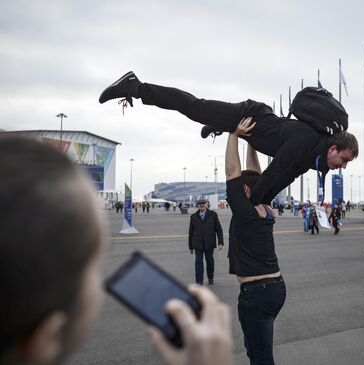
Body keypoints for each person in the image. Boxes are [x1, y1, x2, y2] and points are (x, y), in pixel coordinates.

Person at [0, 137, 233, 365]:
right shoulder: (194, 216)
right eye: (94, 266)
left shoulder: (211, 216)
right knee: (200, 263)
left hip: (209, 245)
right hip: (199, 246)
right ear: (46, 340)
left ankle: (209, 277)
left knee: (208, 262)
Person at [98, 71, 359, 208]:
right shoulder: (305, 141)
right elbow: (273, 172)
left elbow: (284, 179)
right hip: (249, 115)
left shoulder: (310, 158)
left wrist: (265, 204)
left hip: (256, 128)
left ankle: (218, 124)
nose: (343, 166)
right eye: (344, 160)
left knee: (207, 116)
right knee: (193, 106)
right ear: (334, 148)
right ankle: (136, 86)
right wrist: (253, 204)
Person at [225, 118, 286, 365]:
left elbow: (232, 172)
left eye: (241, 187)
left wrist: (233, 134)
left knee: (260, 357)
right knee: (256, 352)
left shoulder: (246, 211)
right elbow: (255, 174)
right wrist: (250, 141)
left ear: (245, 190)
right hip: (273, 289)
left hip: (257, 293)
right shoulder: (264, 207)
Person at [189, 199, 224, 285]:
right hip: (198, 243)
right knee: (198, 262)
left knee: (210, 261)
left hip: (209, 243)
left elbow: (218, 229)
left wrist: (220, 242)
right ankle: (199, 281)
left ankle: (210, 277)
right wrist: (190, 246)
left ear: (207, 204)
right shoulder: (193, 216)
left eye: (203, 203)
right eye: (199, 204)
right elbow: (191, 232)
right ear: (197, 205)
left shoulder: (213, 215)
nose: (201, 205)